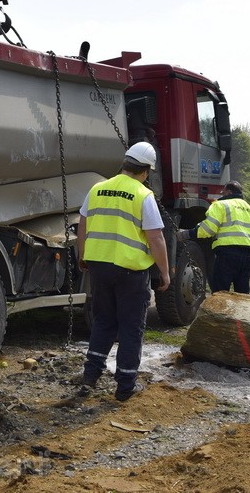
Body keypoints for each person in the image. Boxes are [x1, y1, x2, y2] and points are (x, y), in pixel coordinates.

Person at [76, 141, 171, 401]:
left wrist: (83, 255)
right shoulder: (143, 195)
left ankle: (90, 377)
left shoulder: (97, 188)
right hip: (131, 271)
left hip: (99, 267)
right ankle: (125, 387)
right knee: (130, 328)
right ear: (146, 171)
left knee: (103, 322)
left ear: (125, 163)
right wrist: (164, 272)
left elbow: (82, 225)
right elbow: (156, 238)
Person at [178, 181, 250, 294]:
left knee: (220, 294)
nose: (222, 194)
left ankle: (220, 312)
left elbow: (208, 229)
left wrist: (187, 234)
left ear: (229, 191)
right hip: (247, 257)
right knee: (243, 295)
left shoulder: (220, 205)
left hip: (226, 256)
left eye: (223, 191)